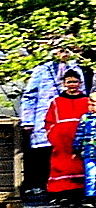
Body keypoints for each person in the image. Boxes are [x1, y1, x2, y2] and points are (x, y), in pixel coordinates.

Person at [19, 42, 79, 198]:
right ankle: (42, 186)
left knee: (68, 154)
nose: (63, 53)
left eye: (67, 49)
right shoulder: (41, 70)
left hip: (70, 119)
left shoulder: (77, 69)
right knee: (44, 153)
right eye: (59, 49)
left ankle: (68, 188)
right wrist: (27, 120)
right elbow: (30, 96)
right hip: (45, 117)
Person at [42, 67, 92, 206]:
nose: (72, 85)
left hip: (82, 140)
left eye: (75, 82)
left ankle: (82, 196)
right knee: (61, 167)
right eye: (69, 82)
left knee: (81, 167)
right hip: (62, 143)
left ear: (80, 83)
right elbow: (49, 122)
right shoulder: (56, 102)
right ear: (64, 83)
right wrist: (55, 137)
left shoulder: (86, 101)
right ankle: (63, 195)